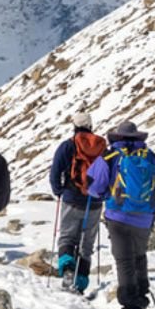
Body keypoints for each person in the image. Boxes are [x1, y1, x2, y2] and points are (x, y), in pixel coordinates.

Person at [87, 121, 155, 309]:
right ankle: (142, 299)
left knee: (124, 261)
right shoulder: (151, 157)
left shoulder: (110, 156)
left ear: (117, 137)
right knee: (139, 256)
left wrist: (103, 195)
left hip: (117, 217)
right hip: (144, 218)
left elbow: (93, 185)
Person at [48, 112, 108, 293]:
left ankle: (67, 271)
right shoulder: (101, 147)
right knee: (86, 243)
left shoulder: (68, 146)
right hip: (95, 201)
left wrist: (59, 191)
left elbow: (55, 172)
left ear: (74, 126)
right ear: (90, 125)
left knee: (67, 237)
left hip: (72, 199)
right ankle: (81, 283)